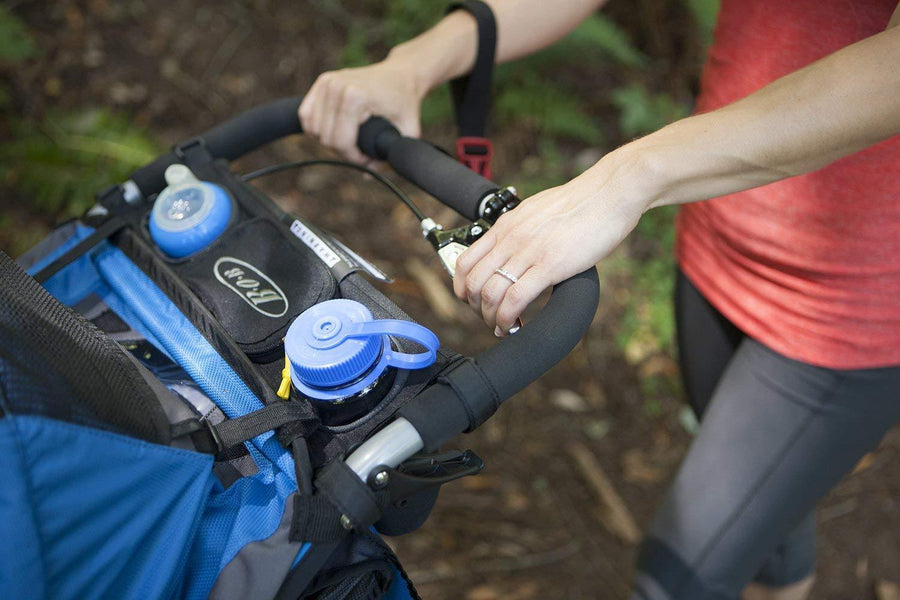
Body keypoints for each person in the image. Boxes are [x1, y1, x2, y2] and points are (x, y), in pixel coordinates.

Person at [298, 1, 900, 598]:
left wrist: (628, 178)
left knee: (678, 579)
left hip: (849, 313)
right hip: (717, 242)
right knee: (772, 517)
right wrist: (416, 61)